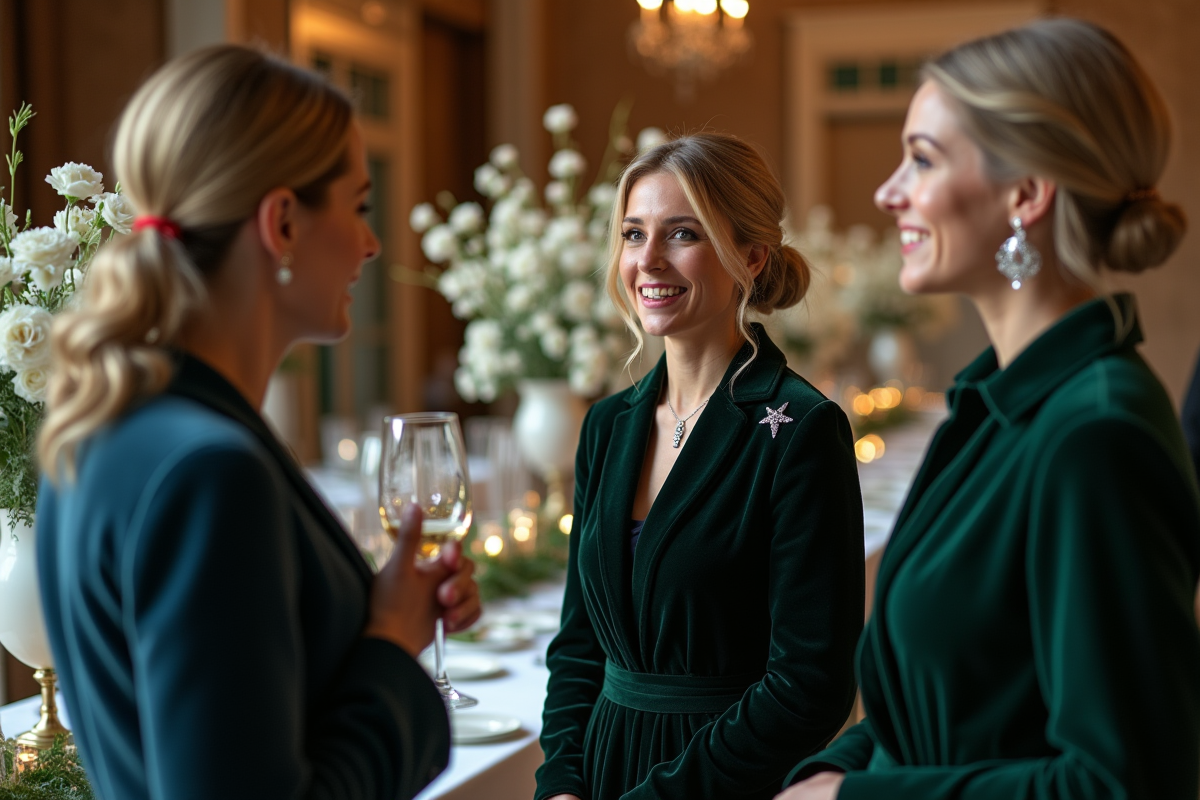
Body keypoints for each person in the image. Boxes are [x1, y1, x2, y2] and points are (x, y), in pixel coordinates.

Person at [36, 45, 479, 800]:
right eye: (359, 206)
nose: (371, 244)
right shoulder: (210, 472)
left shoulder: (99, 428)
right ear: (282, 222)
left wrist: (369, 610)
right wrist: (390, 645)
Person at [779, 18, 1200, 800]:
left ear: (1026, 194)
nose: (887, 192)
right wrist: (833, 771)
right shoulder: (989, 407)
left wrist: (849, 799)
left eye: (922, 159)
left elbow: (1123, 784)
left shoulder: (1095, 436)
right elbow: (935, 704)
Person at [535, 132, 866, 800]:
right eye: (633, 234)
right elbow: (578, 645)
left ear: (750, 256)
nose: (648, 260)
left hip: (726, 784)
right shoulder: (606, 426)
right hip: (604, 772)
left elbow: (810, 686)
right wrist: (562, 784)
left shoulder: (800, 431)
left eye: (682, 233)